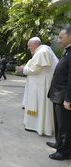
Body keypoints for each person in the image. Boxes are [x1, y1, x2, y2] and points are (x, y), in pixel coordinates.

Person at [21, 37, 58, 136]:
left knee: (40, 105)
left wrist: (23, 69)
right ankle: (36, 126)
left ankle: (39, 127)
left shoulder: (42, 52)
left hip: (41, 86)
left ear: (36, 44)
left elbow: (35, 70)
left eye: (29, 45)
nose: (29, 48)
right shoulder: (43, 50)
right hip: (39, 84)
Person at [47, 26, 71, 160]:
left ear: (70, 36)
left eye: (61, 37)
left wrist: (69, 99)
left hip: (64, 98)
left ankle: (64, 152)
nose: (59, 40)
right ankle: (59, 144)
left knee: (65, 126)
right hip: (58, 96)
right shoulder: (67, 52)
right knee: (58, 124)